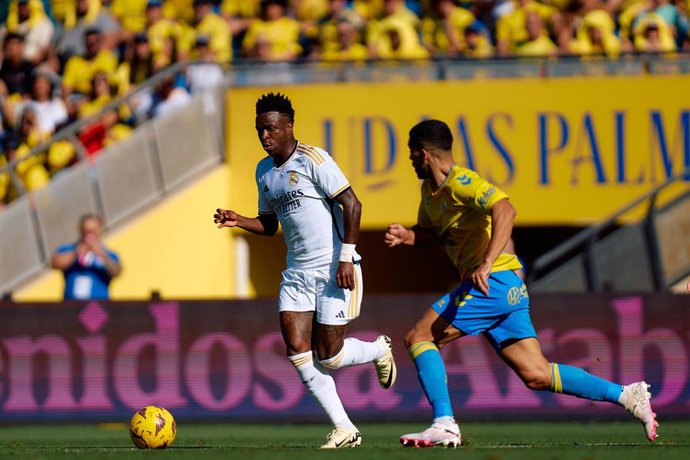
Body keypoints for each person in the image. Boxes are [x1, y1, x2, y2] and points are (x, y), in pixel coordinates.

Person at [384, 119, 659, 448]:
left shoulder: (463, 182)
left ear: (424, 153)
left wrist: (486, 263)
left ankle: (444, 423)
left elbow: (506, 209)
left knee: (419, 336)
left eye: (412, 154)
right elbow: (432, 235)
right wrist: (408, 236)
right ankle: (628, 395)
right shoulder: (430, 193)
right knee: (537, 374)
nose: (410, 160)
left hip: (493, 282)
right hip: (507, 288)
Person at [214, 92, 396, 449]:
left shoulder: (313, 158)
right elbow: (269, 225)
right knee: (297, 348)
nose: (264, 136)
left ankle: (377, 350)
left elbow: (352, 203)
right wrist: (239, 220)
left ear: (288, 126)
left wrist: (346, 256)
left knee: (331, 355)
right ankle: (345, 429)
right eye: (259, 130)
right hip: (296, 272)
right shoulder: (263, 172)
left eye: (270, 129)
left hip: (332, 266)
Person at [51, 213, 122, 300]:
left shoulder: (108, 254)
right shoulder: (69, 249)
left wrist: (101, 254)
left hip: (97, 306)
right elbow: (55, 263)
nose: (89, 234)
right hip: (71, 305)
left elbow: (116, 271)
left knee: (93, 313)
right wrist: (76, 253)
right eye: (86, 231)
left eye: (93, 231)